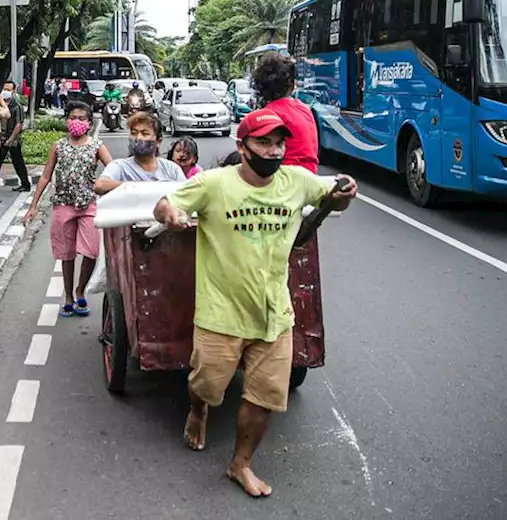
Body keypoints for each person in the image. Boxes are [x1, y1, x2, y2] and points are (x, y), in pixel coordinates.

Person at [152, 110, 357, 498]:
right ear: (241, 147)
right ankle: (198, 411)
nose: (273, 150)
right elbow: (165, 203)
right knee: (206, 385)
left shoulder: (296, 180)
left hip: (274, 315)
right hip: (220, 313)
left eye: (279, 143)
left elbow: (332, 198)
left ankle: (240, 463)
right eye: (263, 142)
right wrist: (172, 214)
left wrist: (345, 193)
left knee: (264, 398)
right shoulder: (214, 184)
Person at [23, 101, 111, 317]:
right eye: (73, 117)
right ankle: (70, 295)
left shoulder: (97, 146)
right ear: (66, 121)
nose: (77, 122)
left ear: (89, 123)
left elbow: (114, 169)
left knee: (91, 251)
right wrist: (33, 206)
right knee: (67, 254)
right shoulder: (58, 146)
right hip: (63, 204)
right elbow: (45, 176)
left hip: (88, 204)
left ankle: (81, 289)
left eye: (82, 118)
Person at [251, 53, 319, 172]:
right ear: (292, 85)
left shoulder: (269, 114)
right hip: (310, 176)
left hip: (286, 179)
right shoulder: (304, 109)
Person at [94, 112, 186, 197]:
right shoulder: (119, 166)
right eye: (134, 133)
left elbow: (186, 193)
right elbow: (100, 186)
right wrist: (133, 186)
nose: (138, 138)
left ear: (158, 141)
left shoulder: (171, 169)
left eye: (145, 134)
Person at [0, 80, 31, 192]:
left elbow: (19, 124)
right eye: (4, 89)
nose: (5, 92)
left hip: (12, 139)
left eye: (8, 90)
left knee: (18, 162)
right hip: (0, 138)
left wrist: (11, 139)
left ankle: (25, 184)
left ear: (13, 91)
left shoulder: (17, 106)